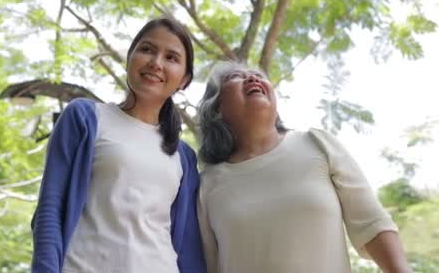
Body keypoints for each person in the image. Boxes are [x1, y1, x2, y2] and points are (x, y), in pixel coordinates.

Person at [196, 61, 411, 273]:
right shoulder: (207, 185)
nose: (252, 78)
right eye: (236, 77)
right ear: (216, 108)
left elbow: (372, 224)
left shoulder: (316, 144)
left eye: (257, 75)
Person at [31, 18, 206, 273]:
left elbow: (188, 246)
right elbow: (50, 209)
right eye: (147, 49)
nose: (156, 63)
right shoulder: (86, 117)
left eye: (171, 58)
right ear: (130, 58)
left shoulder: (184, 157)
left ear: (184, 79)